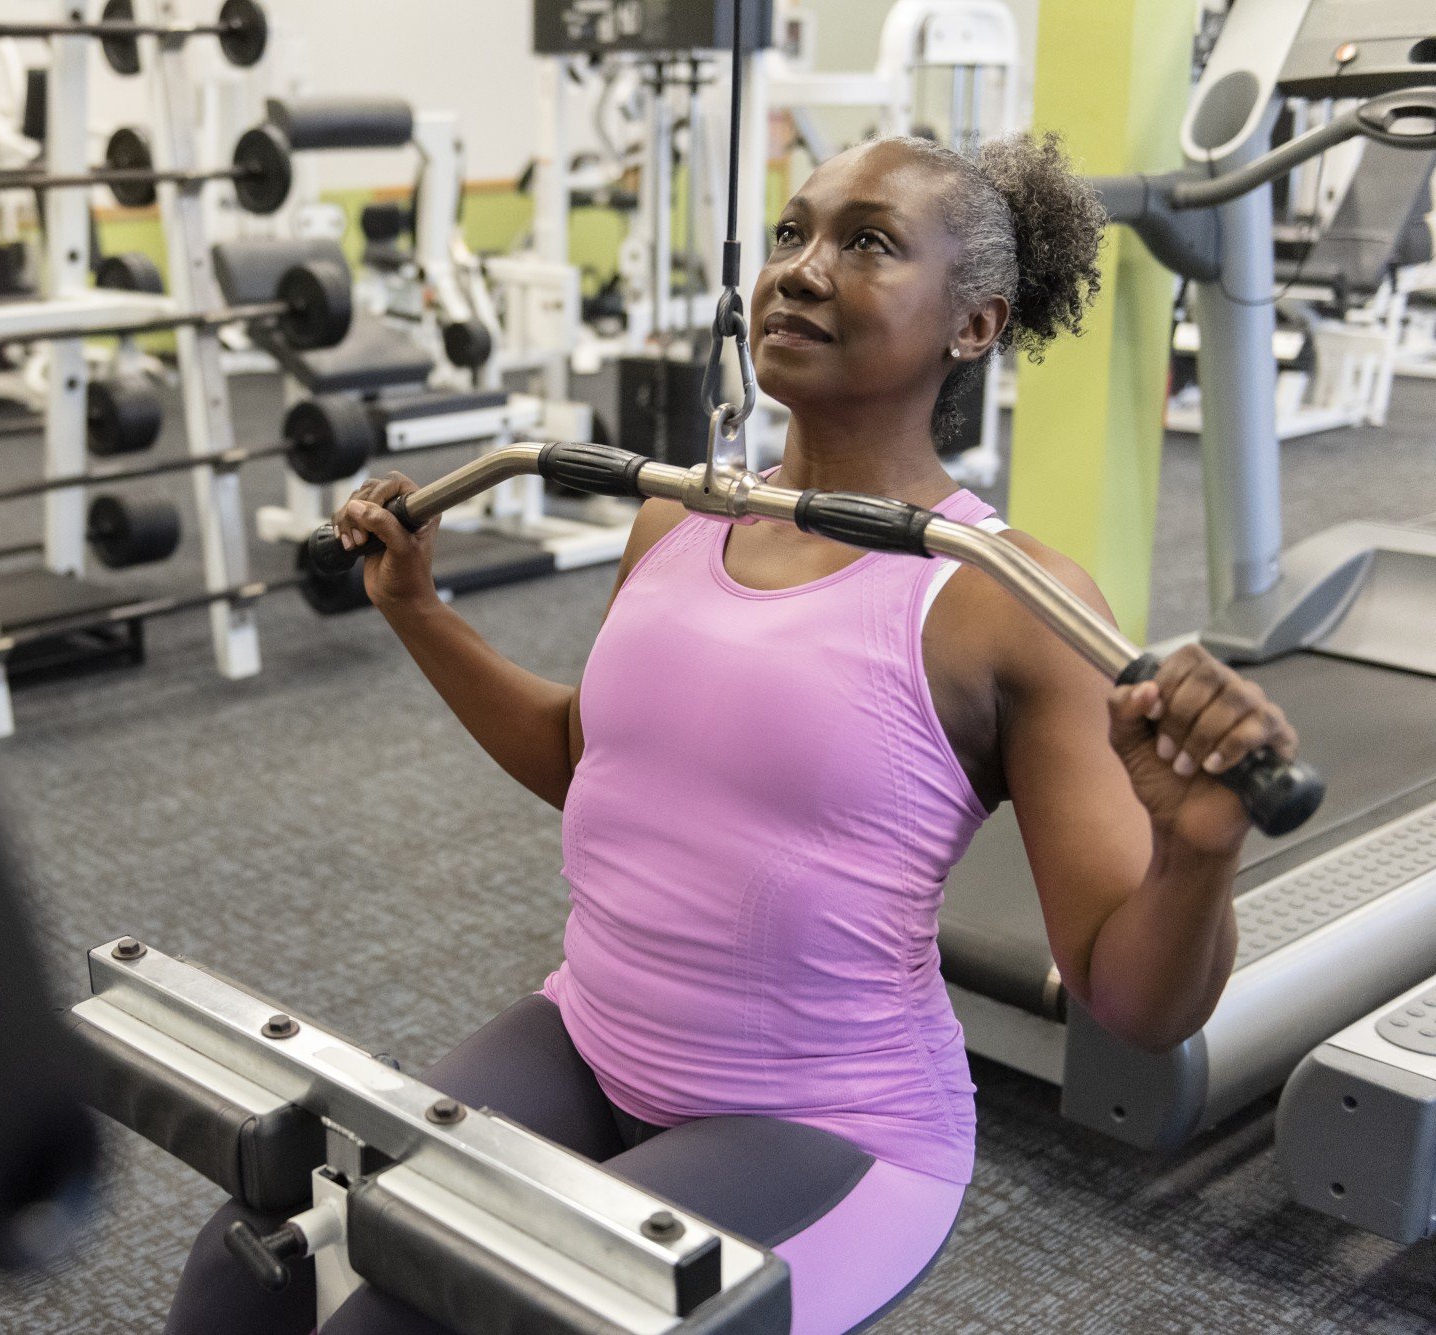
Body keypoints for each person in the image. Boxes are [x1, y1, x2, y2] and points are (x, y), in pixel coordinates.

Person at [163, 133, 1298, 1335]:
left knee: (392, 1329)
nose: (799, 270)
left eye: (864, 243)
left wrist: (1197, 852)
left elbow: (1136, 1003)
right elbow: (584, 759)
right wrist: (418, 613)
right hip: (587, 1043)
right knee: (248, 1269)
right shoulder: (677, 519)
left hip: (829, 1134)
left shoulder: (998, 601)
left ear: (973, 326)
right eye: (791, 235)